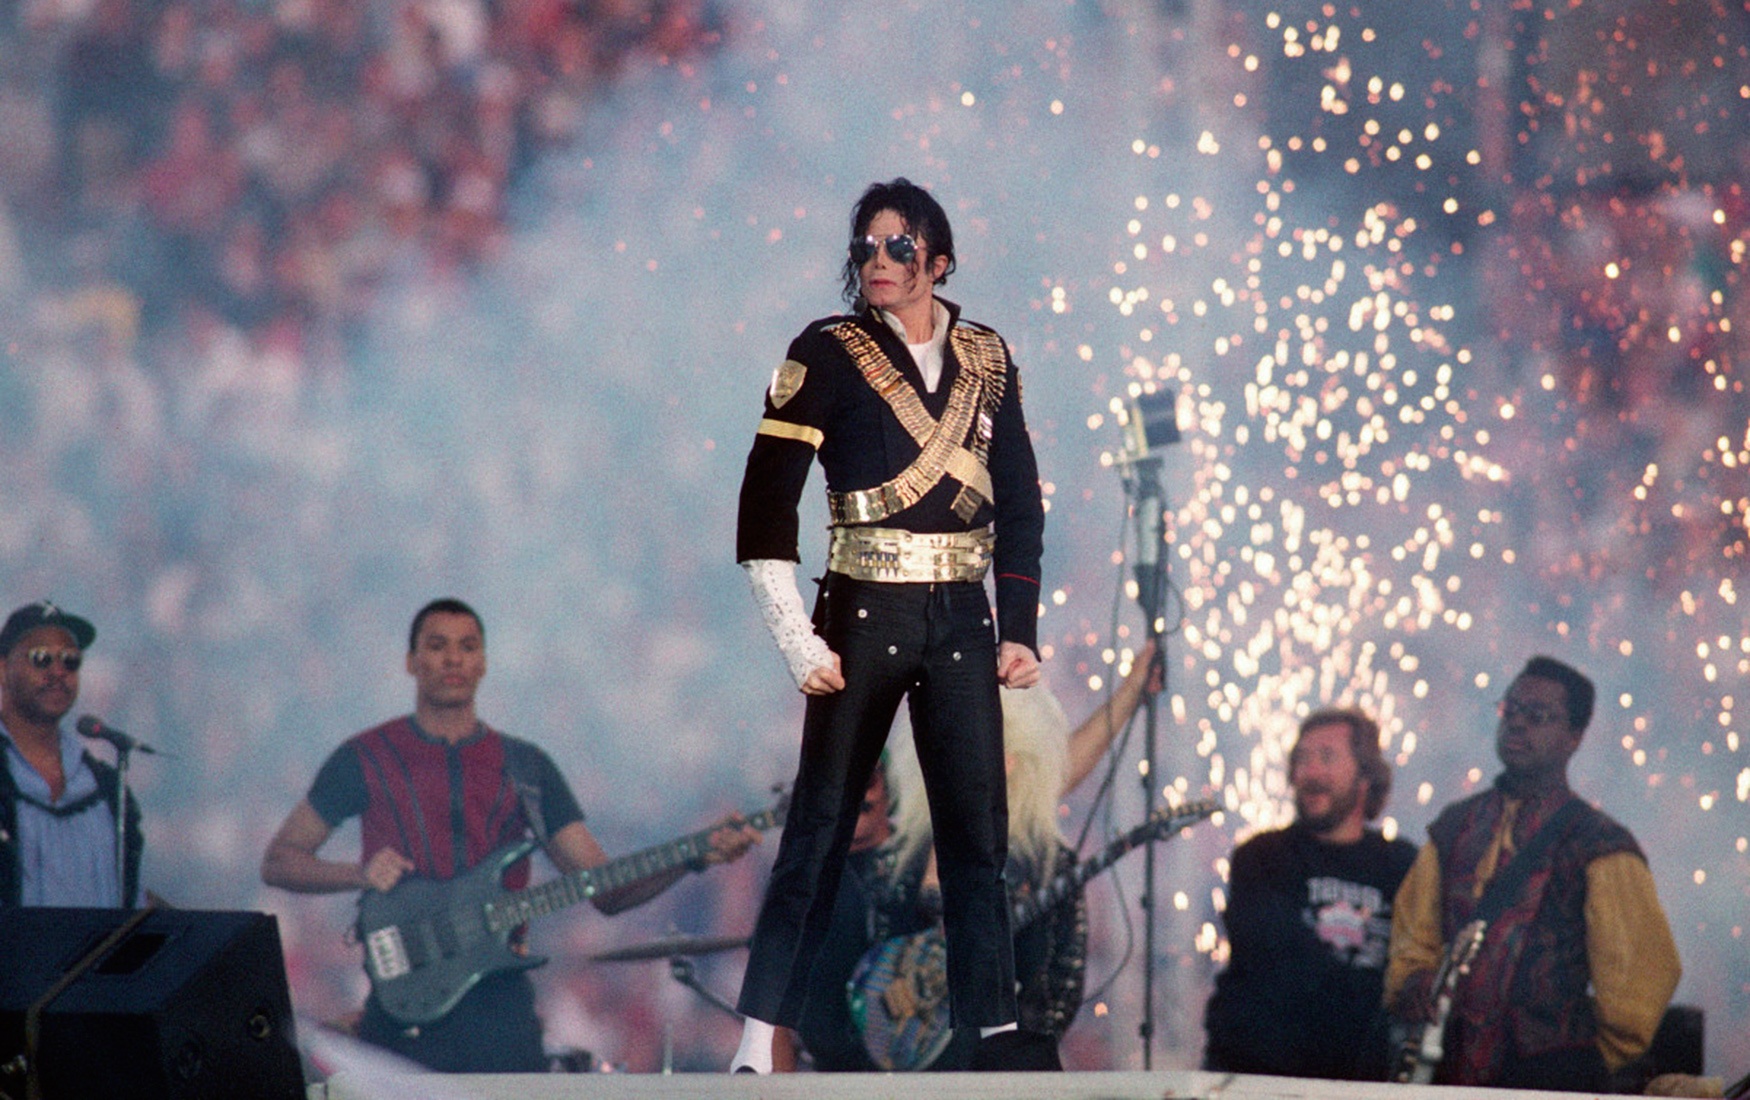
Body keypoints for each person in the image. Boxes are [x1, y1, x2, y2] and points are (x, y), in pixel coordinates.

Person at [730, 177, 1047, 1073]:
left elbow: (1019, 496)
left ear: (938, 261)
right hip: (861, 611)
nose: (877, 261)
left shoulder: (989, 355)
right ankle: (758, 1038)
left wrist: (1018, 626)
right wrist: (796, 638)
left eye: (898, 246)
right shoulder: (826, 352)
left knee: (977, 836)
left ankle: (992, 1034)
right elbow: (765, 502)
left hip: (961, 615)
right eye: (866, 247)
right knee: (820, 829)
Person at [261, 597, 759, 1073]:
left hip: (500, 1022)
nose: (453, 658)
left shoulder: (526, 768)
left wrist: (694, 855)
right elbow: (281, 859)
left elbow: (605, 888)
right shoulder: (365, 757)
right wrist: (358, 874)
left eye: (467, 646)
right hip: (400, 1019)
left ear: (482, 663)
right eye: (437, 645)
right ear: (411, 661)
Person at [774, 643, 1162, 1073]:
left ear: (1009, 762)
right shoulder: (893, 857)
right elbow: (833, 1006)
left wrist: (1131, 690)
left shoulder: (1044, 866)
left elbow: (1054, 1000)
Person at [1384, 656, 1682, 1090]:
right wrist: (1414, 983)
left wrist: (1575, 1064)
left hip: (1549, 1083)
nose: (1517, 724)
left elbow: (1638, 990)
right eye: (1511, 709)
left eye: (1538, 716)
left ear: (1574, 737)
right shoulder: (1453, 828)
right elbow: (1412, 942)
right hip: (1445, 1074)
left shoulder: (1600, 844)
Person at [1202, 706, 1417, 1080]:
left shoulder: (1400, 865)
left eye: (1327, 757)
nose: (1310, 773)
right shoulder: (1263, 857)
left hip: (1362, 1080)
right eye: (1301, 759)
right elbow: (1277, 968)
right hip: (1262, 1076)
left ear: (1365, 774)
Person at [0, 600, 142, 908]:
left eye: (70, 660)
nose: (58, 671)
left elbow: (132, 900)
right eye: (41, 658)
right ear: (2, 669)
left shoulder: (107, 790)